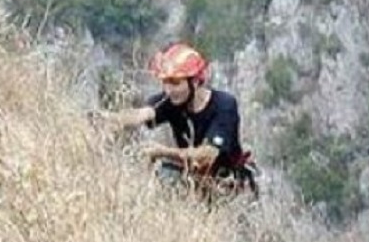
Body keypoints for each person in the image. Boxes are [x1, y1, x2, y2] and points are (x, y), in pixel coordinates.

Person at [100, 42, 258, 198]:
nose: (169, 90)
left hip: (229, 187)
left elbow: (206, 156)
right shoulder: (171, 101)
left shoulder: (224, 105)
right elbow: (142, 114)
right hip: (196, 183)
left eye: (175, 83)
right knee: (163, 176)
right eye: (165, 83)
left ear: (195, 82)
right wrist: (109, 119)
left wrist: (162, 152)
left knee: (168, 173)